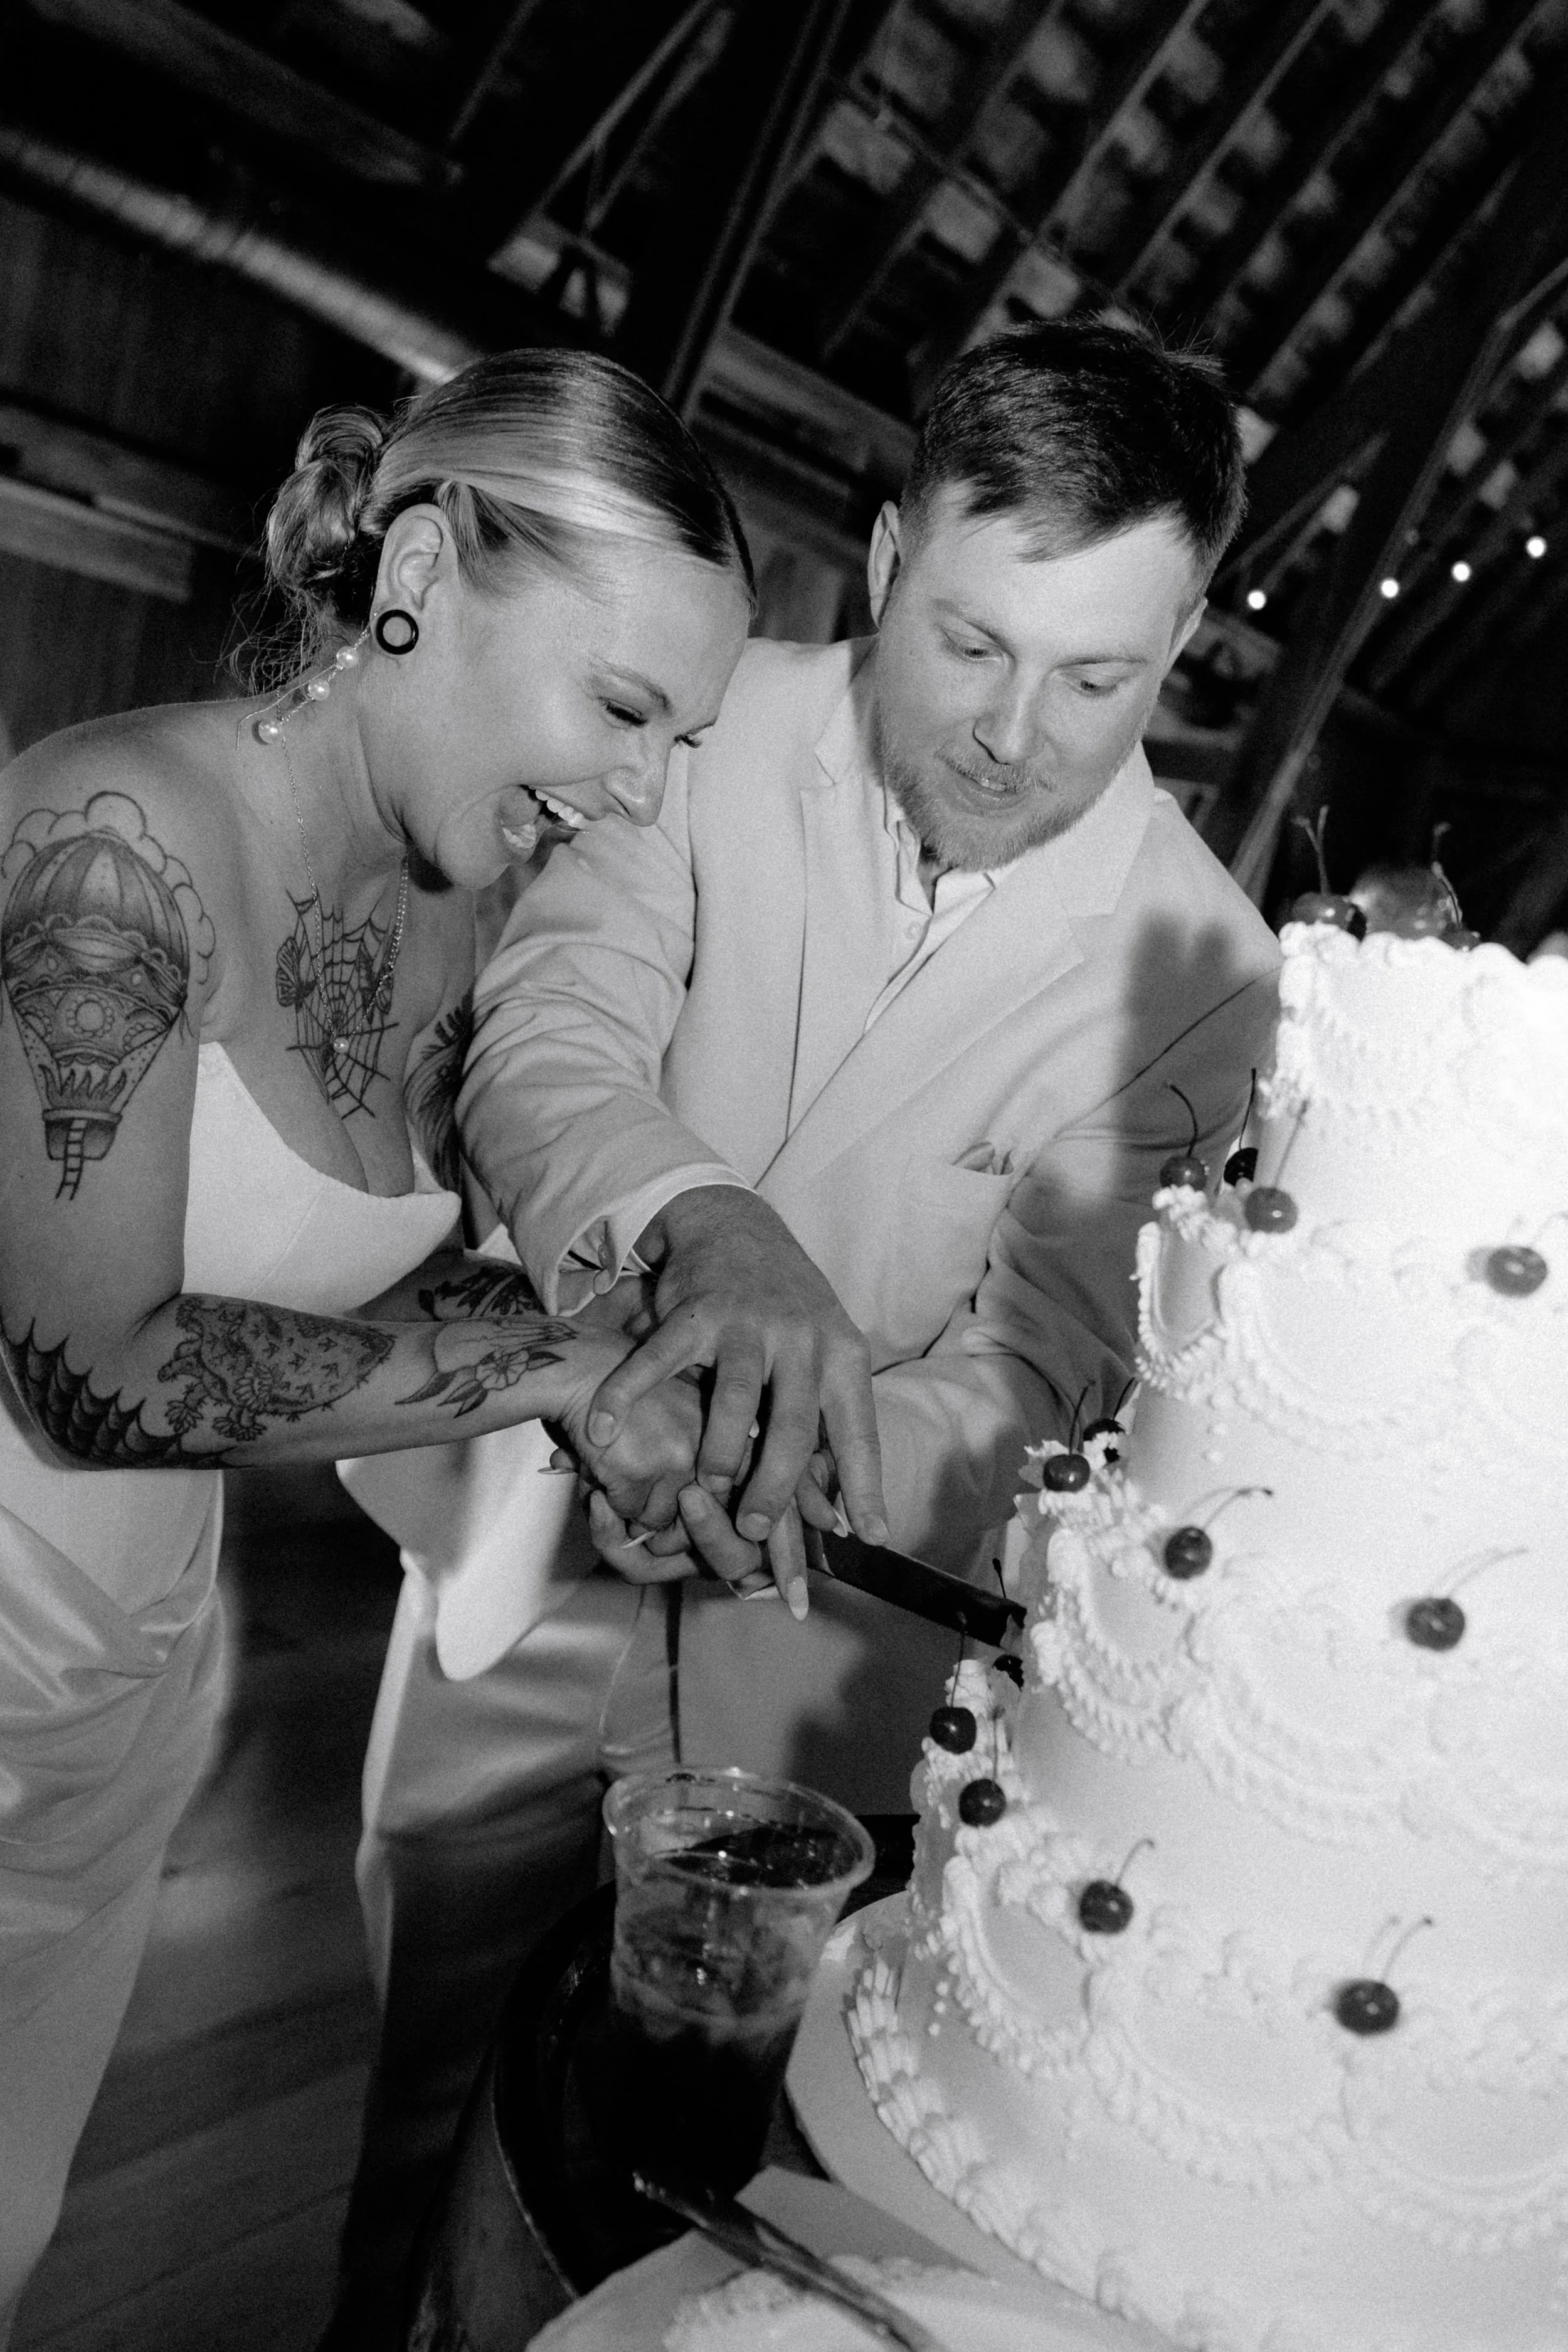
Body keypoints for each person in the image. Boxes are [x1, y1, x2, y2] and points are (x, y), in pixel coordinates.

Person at [340, 317, 1283, 2326]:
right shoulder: (693, 722)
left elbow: (1039, 1374)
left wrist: (753, 1441)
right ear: (875, 562)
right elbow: (549, 1031)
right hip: (523, 1527)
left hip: (819, 1655)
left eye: (1097, 675)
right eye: (967, 642)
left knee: (685, 2194)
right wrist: (710, 1232)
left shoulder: (1209, 969)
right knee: (423, 2087)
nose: (1016, 731)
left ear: (1184, 634)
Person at [0, 346, 753, 2341]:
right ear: (422, 562)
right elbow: (98, 1372)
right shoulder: (113, 832)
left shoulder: (457, 893)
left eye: (677, 733)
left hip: (129, 1657)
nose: (636, 786)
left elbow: (354, 1289)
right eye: (621, 704)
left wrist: (612, 1352)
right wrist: (557, 1372)